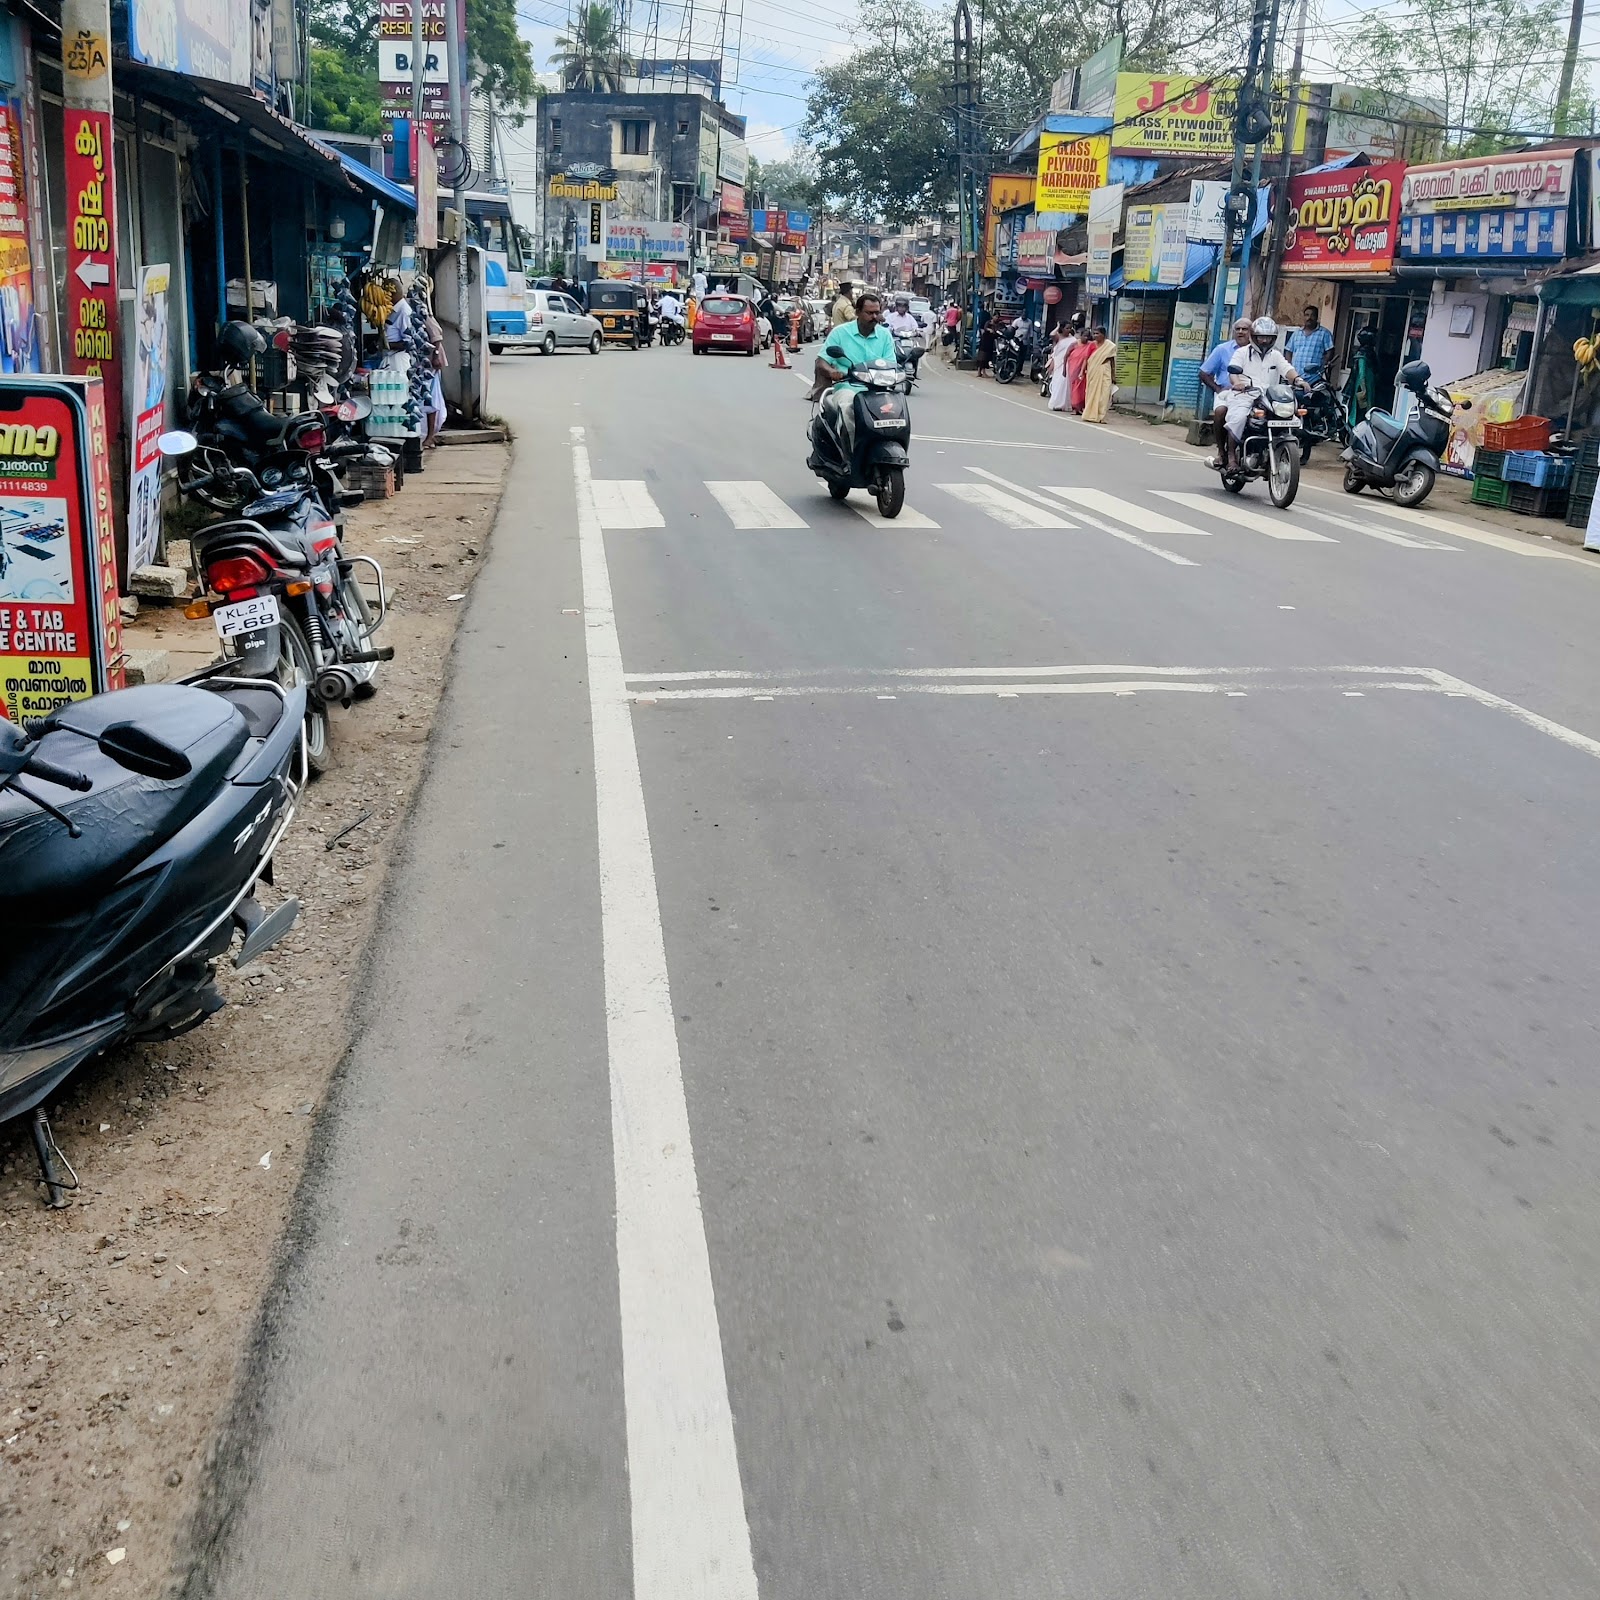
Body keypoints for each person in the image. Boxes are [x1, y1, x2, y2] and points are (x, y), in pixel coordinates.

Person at [811, 289, 896, 462]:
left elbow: (891, 364)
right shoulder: (840, 333)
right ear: (857, 312)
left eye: (877, 313)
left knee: (896, 413)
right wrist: (832, 372)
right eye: (869, 313)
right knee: (848, 408)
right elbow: (821, 361)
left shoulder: (885, 335)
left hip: (877, 391)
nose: (874, 317)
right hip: (848, 388)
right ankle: (851, 454)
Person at [1216, 316, 1298, 469]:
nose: (1264, 341)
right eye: (1261, 337)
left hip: (1269, 397)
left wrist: (1299, 380)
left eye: (1268, 337)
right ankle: (1231, 456)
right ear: (1254, 337)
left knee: (1291, 417)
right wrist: (1237, 383)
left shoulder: (1276, 355)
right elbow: (1233, 371)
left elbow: (1287, 369)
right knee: (1238, 418)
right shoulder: (1241, 353)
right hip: (1244, 395)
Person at [1200, 318, 1255, 457]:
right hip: (1227, 393)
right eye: (1238, 329)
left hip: (1252, 394)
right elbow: (1204, 373)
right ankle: (1221, 452)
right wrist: (1218, 389)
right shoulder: (1222, 349)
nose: (1241, 332)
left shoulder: (1257, 351)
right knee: (1220, 412)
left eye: (1245, 329)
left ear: (1252, 332)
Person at [1285, 305, 1334, 386]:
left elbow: (1330, 352)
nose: (1309, 318)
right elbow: (1288, 352)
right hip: (1296, 377)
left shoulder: (1324, 333)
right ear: (1304, 317)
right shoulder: (1296, 333)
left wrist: (1322, 365)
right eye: (1307, 315)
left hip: (1314, 378)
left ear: (1317, 317)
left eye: (1312, 315)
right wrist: (1290, 368)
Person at [1344, 327, 1379, 427]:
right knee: (1360, 410)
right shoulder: (1363, 354)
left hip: (1366, 386)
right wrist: (1363, 389)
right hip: (1363, 387)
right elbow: (1361, 373)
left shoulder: (1368, 353)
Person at [1080, 326, 1117, 422]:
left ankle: (1101, 416)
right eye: (1094, 333)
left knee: (1105, 394)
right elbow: (1086, 359)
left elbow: (1112, 361)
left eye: (1097, 333)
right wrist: (1082, 372)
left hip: (1105, 370)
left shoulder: (1109, 346)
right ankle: (1090, 415)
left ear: (1103, 335)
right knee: (1092, 393)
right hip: (1093, 371)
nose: (1095, 335)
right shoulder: (1091, 345)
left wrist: (1113, 375)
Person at [1047, 324, 1076, 412]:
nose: (1069, 330)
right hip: (1058, 362)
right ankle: (1056, 403)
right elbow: (1052, 334)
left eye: (1070, 328)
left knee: (1065, 384)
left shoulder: (1073, 339)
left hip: (1068, 363)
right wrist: (1057, 327)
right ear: (1062, 329)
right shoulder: (1058, 337)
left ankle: (1064, 404)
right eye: (1067, 328)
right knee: (1057, 383)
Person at [1065, 326, 1093, 413]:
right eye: (1084, 336)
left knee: (1082, 389)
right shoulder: (1074, 344)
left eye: (1088, 336)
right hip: (1073, 369)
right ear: (1080, 336)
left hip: (1084, 370)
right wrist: (1064, 369)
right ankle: (1075, 407)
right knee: (1074, 388)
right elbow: (1066, 355)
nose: (1086, 338)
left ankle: (1081, 407)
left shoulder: (1090, 345)